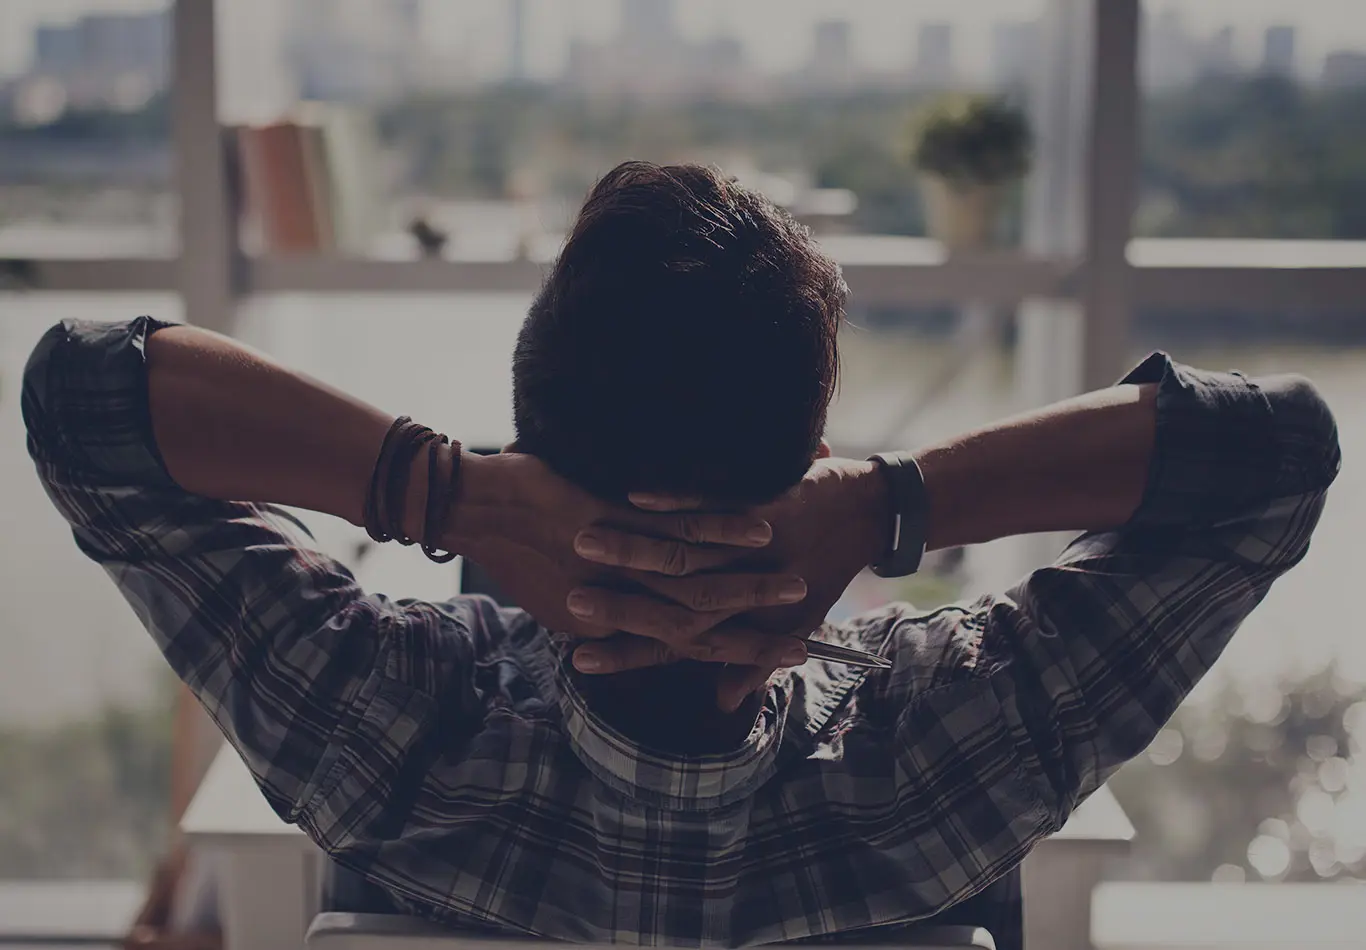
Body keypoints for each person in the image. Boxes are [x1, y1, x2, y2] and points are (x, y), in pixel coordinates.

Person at [24, 161, 1339, 950]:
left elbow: (84, 398)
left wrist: (452, 497)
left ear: (535, 433)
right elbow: (1277, 453)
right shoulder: (954, 756)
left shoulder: (383, 737)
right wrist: (890, 505)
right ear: (808, 455)